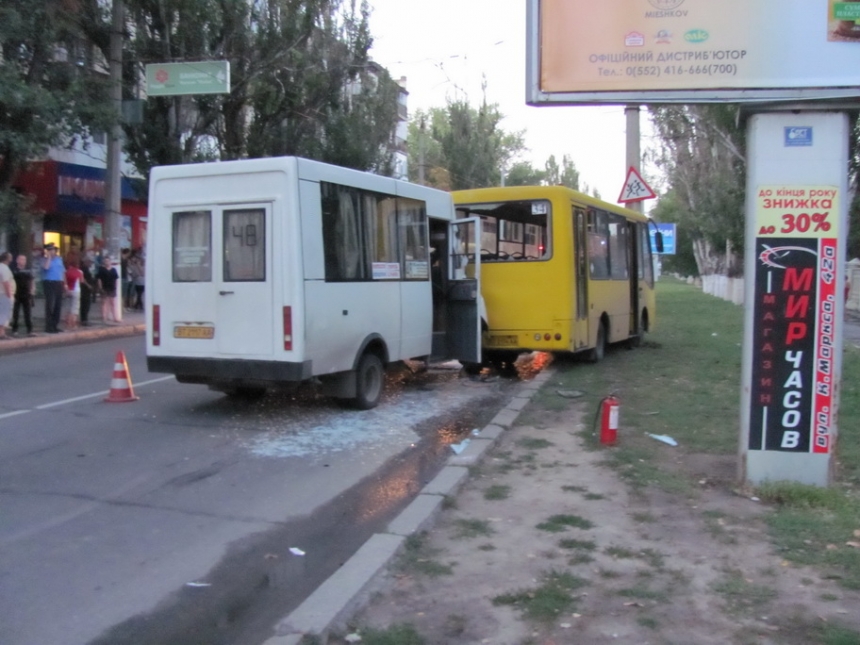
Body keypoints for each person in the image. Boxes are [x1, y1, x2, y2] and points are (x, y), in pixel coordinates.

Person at [41, 243, 65, 333]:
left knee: (58, 304)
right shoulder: (44, 260)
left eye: (53, 250)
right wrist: (49, 257)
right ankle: (48, 326)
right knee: (50, 304)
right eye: (50, 250)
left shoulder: (59, 259)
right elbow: (46, 268)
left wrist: (64, 283)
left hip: (58, 282)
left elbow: (62, 271)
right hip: (49, 282)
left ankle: (55, 325)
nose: (52, 252)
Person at [11, 254, 36, 336]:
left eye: (24, 260)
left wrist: (32, 291)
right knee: (16, 313)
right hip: (16, 294)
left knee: (28, 313)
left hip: (26, 293)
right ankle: (15, 329)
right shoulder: (14, 270)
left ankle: (30, 330)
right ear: (17, 260)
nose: (23, 261)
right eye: (21, 259)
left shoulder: (28, 270)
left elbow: (32, 281)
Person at [97, 255, 120, 324]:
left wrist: (115, 287)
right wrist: (100, 287)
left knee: (112, 302)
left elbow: (116, 279)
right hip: (104, 287)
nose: (107, 262)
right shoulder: (101, 270)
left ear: (110, 262)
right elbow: (99, 279)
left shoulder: (113, 270)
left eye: (108, 261)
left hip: (112, 287)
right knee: (104, 302)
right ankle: (104, 317)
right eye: (105, 261)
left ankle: (114, 317)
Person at [63, 256, 84, 330]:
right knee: (74, 308)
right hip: (76, 291)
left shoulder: (66, 272)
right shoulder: (80, 272)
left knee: (68, 307)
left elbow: (64, 282)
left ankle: (67, 323)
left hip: (68, 291)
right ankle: (73, 324)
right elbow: (82, 281)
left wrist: (66, 289)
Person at [0, 252, 15, 340]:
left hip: (2, 293)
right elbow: (6, 282)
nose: (11, 259)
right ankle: (2, 333)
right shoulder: (4, 268)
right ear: (7, 259)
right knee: (5, 314)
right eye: (10, 257)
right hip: (5, 294)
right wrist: (9, 294)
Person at [79, 257, 97, 326]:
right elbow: (83, 279)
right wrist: (88, 285)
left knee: (87, 304)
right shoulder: (83, 269)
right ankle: (84, 319)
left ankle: (85, 319)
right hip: (84, 289)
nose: (90, 264)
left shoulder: (89, 269)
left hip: (88, 289)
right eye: (89, 262)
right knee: (84, 304)